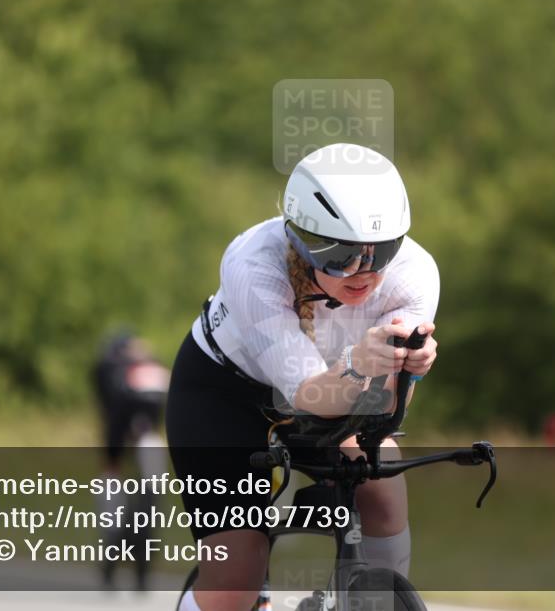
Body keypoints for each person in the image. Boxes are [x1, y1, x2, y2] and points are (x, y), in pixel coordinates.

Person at [167, 143, 440, 611]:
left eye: (381, 252)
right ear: (301, 238)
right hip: (224, 396)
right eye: (341, 254)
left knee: (384, 492)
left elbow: (383, 414)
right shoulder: (254, 265)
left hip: (338, 395)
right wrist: (360, 362)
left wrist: (407, 371)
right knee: (236, 581)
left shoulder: (414, 274)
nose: (363, 273)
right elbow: (309, 394)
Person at [91, 329, 169, 589]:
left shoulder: (111, 367)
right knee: (144, 511)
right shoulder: (149, 367)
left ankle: (116, 566)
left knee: (126, 512)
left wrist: (111, 458)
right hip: (145, 442)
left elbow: (114, 418)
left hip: (134, 442)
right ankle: (137, 570)